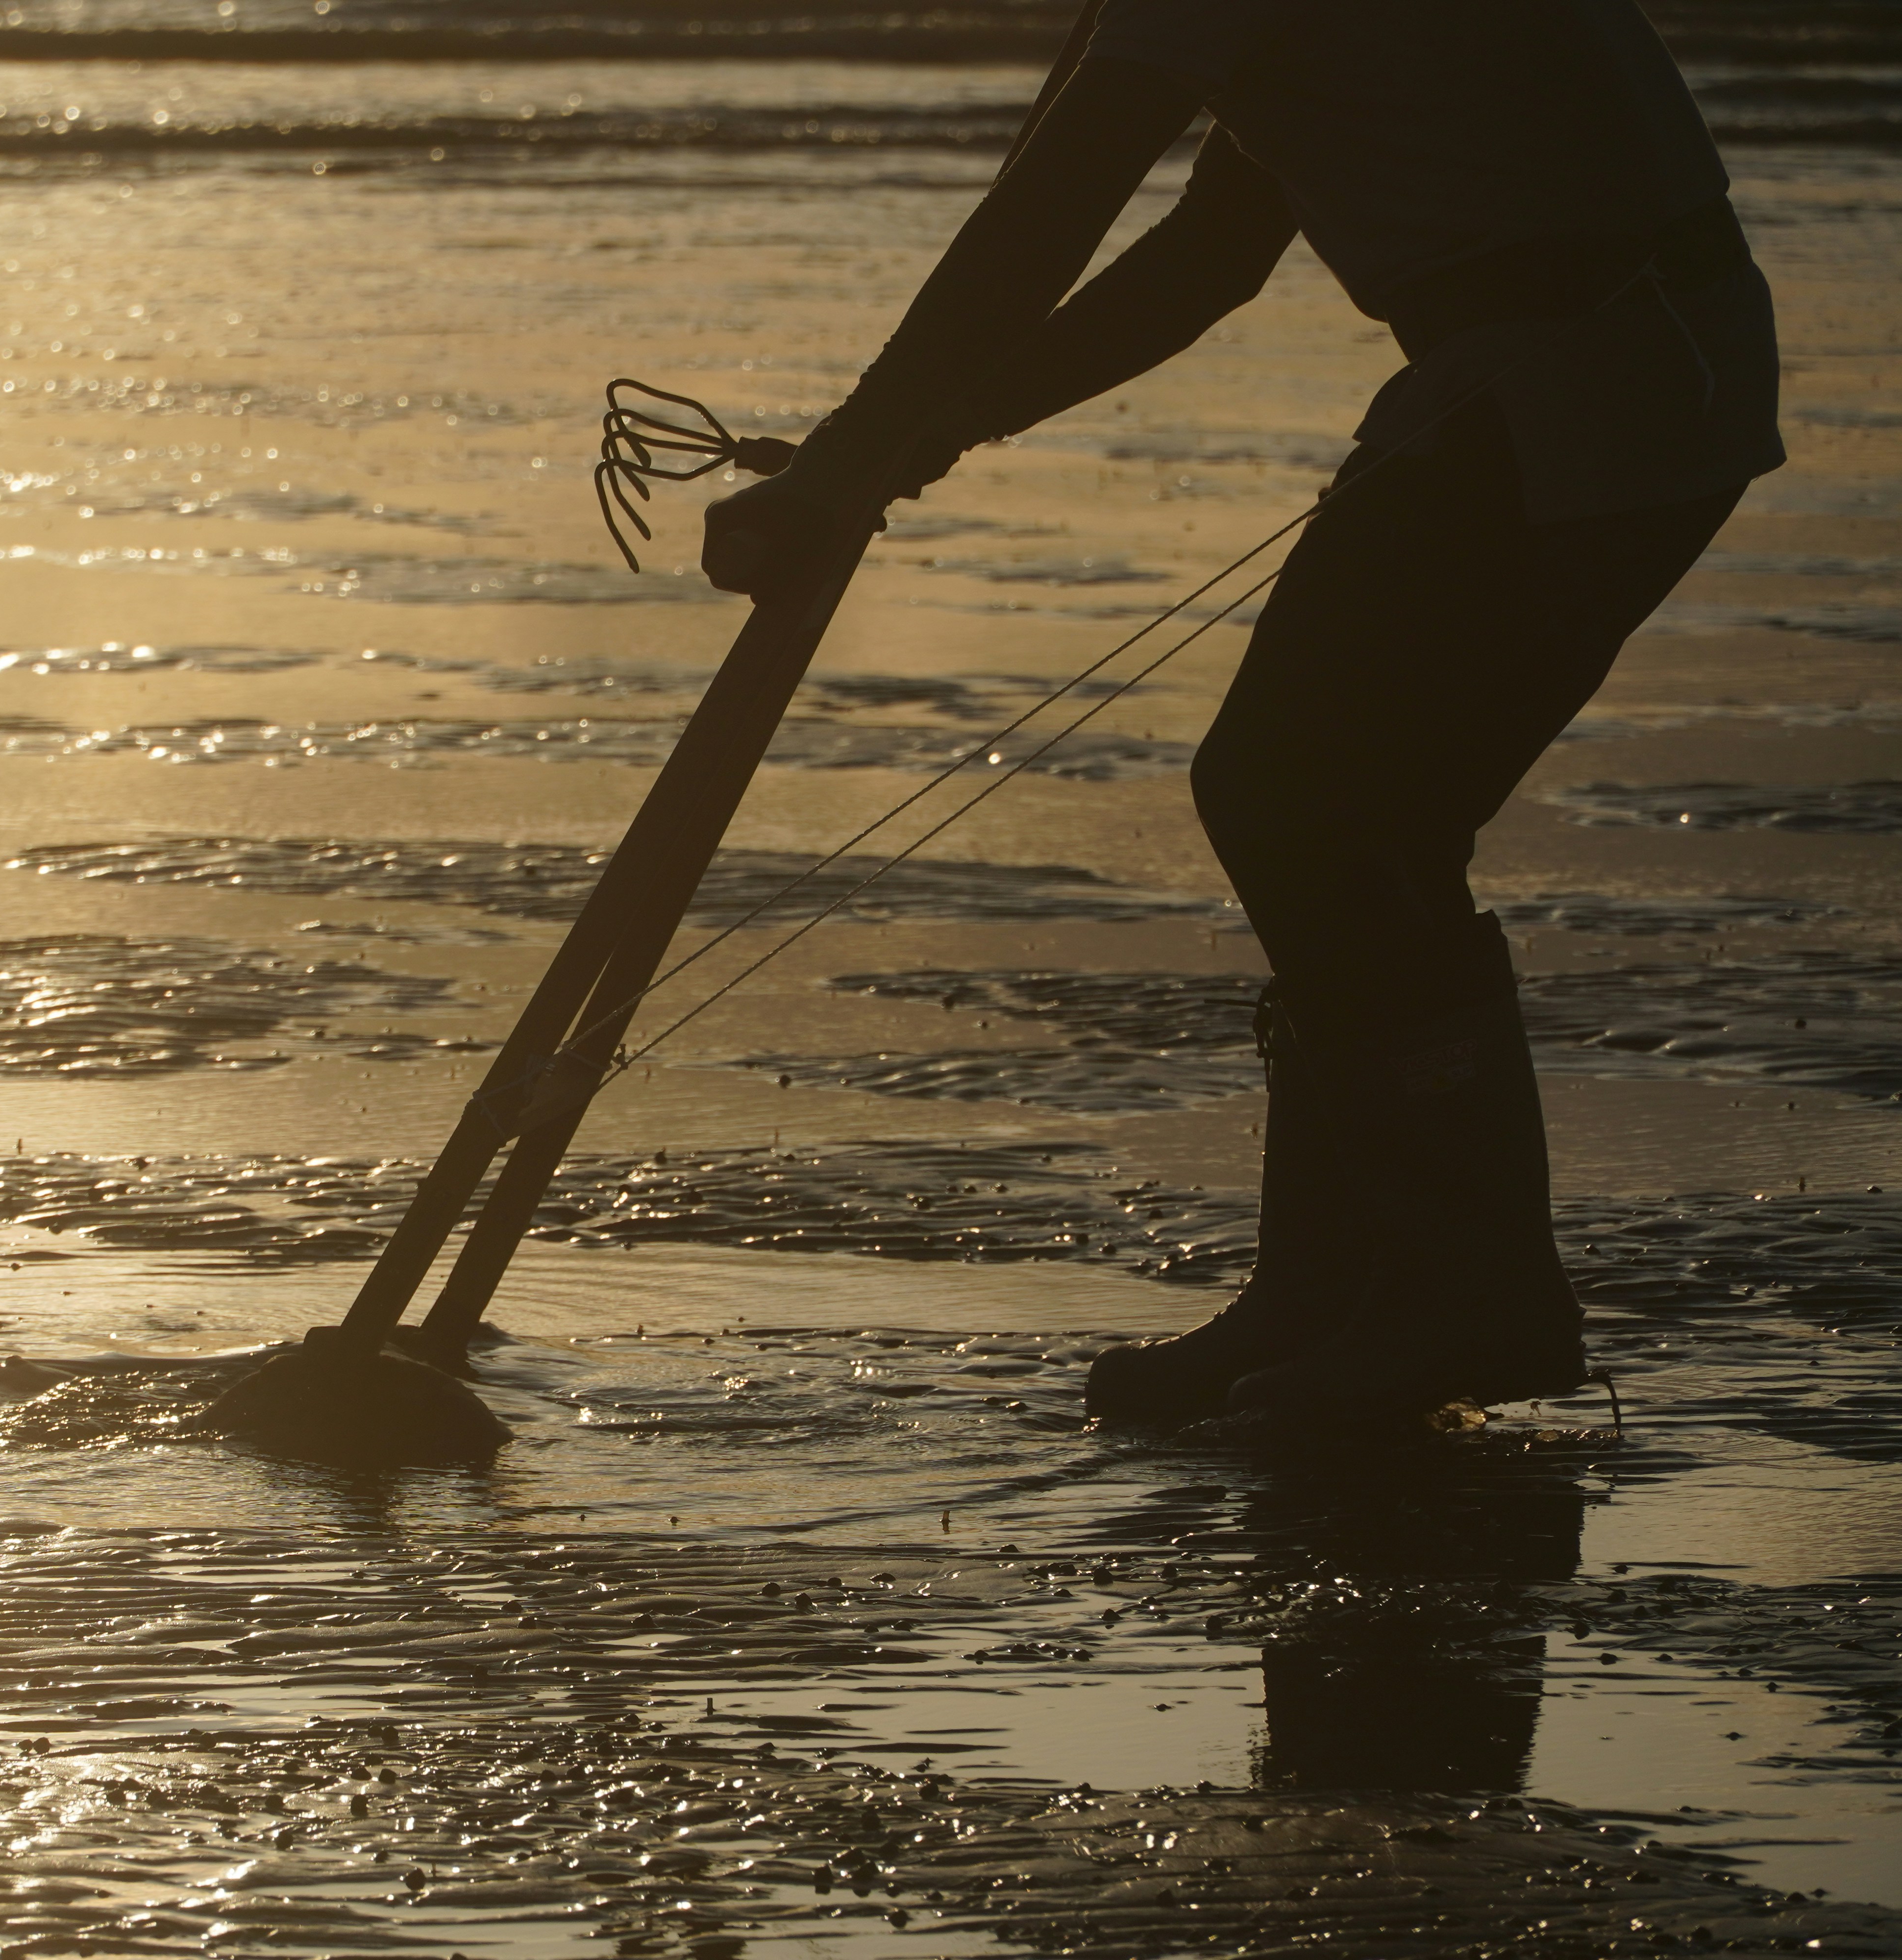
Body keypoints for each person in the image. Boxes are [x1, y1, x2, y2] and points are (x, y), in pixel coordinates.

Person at [703, 0, 1783, 1429]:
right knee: (1350, 821)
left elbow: (1065, 195)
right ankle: (1344, 1289)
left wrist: (851, 458)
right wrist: (919, 438)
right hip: (1609, 357)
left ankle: (1466, 1297)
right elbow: (1210, 253)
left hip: (1584, 360)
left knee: (1300, 802)